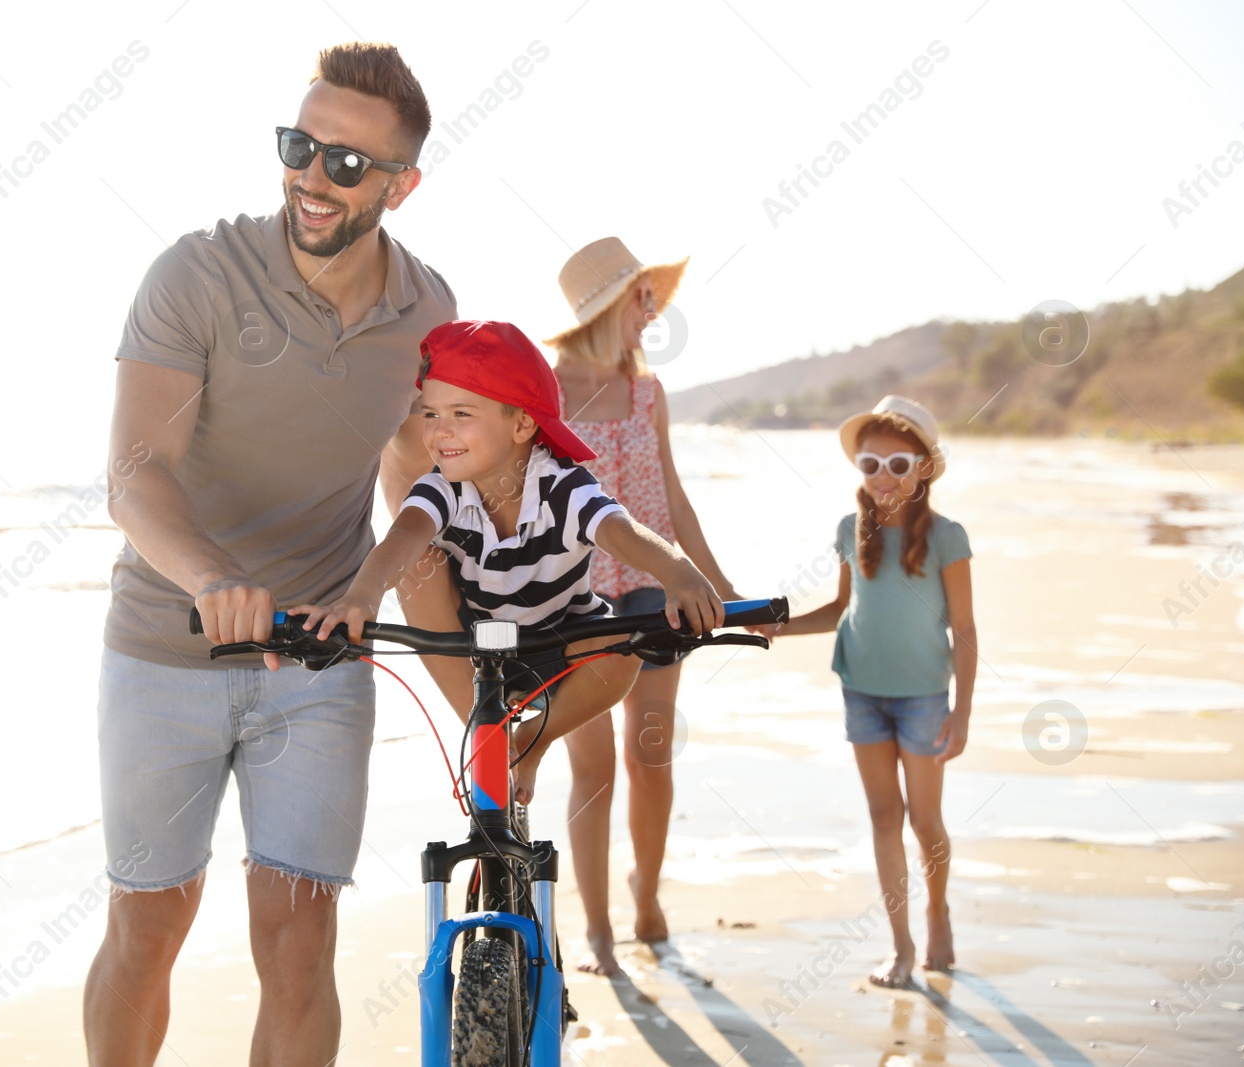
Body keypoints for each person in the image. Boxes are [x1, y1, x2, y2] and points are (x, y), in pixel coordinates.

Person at [86, 43, 458, 1067]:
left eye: (346, 163)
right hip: (164, 652)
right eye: (300, 146)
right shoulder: (197, 272)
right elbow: (134, 471)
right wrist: (212, 579)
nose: (311, 175)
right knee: (148, 927)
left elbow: (421, 489)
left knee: (300, 943)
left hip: (319, 671)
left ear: (401, 184)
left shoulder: (427, 313)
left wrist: (444, 648)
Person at [295, 319, 727, 807]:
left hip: (558, 643)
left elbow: (619, 532)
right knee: (418, 563)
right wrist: (361, 597)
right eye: (431, 414)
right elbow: (402, 538)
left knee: (623, 640)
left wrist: (679, 573)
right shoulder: (442, 489)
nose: (440, 432)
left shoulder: (563, 486)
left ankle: (529, 746)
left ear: (522, 424)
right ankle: (488, 742)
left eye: (462, 412)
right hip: (471, 648)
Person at [544, 237, 742, 976]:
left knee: (651, 754)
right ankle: (597, 931)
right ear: (608, 306)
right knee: (593, 767)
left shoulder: (648, 392)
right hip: (575, 597)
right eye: (643, 299)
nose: (652, 314)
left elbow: (673, 496)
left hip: (655, 591)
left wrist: (717, 584)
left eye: (654, 300)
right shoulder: (546, 390)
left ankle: (646, 895)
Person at [752, 395, 976, 988]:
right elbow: (840, 609)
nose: (883, 477)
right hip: (862, 694)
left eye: (898, 465)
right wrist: (783, 625)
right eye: (871, 464)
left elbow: (967, 629)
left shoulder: (948, 537)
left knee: (926, 821)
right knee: (884, 816)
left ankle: (938, 912)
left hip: (925, 697)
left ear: (924, 468)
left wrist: (963, 712)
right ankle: (901, 947)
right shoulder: (851, 530)